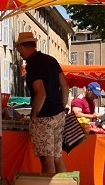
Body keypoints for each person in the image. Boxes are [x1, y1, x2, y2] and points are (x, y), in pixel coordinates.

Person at [17, 31, 69, 176]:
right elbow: (65, 86)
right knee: (57, 156)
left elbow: (41, 93)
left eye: (18, 49)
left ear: (22, 46)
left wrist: (33, 114)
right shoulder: (51, 60)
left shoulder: (33, 64)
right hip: (58, 114)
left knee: (47, 159)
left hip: (44, 116)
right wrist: (62, 107)